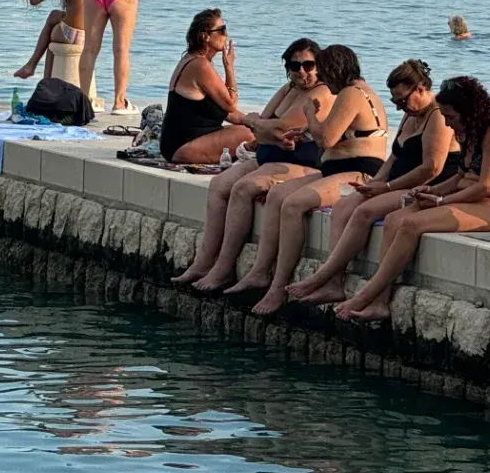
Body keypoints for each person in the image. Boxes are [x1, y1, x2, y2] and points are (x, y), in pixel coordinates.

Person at [336, 76, 490, 323]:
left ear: (468, 111)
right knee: (394, 220)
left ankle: (365, 296)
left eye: (451, 117)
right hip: (462, 199)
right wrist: (432, 191)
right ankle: (381, 302)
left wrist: (441, 202)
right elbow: (459, 177)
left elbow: (486, 186)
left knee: (412, 225)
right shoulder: (468, 133)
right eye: (444, 117)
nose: (447, 123)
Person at [224, 43, 389, 315]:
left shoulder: (351, 93)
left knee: (293, 204)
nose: (321, 80)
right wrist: (304, 131)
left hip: (359, 172)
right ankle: (261, 272)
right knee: (278, 194)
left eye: (323, 72)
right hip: (336, 169)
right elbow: (331, 132)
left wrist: (310, 114)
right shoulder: (352, 91)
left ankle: (280, 286)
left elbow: (327, 138)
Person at [290, 59, 460, 305]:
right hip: (394, 181)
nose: (400, 107)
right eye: (394, 102)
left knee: (364, 212)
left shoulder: (437, 117)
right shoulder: (411, 115)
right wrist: (377, 181)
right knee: (344, 207)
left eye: (402, 100)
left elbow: (431, 168)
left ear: (421, 89)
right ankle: (333, 282)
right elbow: (395, 155)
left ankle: (321, 276)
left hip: (424, 185)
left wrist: (389, 188)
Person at [176, 39, 332, 290]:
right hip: (269, 155)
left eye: (308, 65)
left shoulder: (322, 92)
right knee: (219, 185)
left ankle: (226, 268)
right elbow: (260, 124)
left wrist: (261, 125)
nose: (302, 71)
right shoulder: (288, 89)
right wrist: (261, 126)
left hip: (303, 162)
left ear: (320, 65)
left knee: (243, 188)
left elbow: (279, 126)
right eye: (295, 66)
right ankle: (204, 262)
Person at [159, 10, 254, 165]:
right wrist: (229, 68)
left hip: (180, 143)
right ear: (205, 36)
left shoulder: (196, 61)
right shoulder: (199, 65)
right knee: (248, 135)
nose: (226, 35)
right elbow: (230, 104)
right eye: (221, 31)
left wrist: (257, 122)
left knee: (254, 130)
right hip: (182, 146)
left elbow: (226, 112)